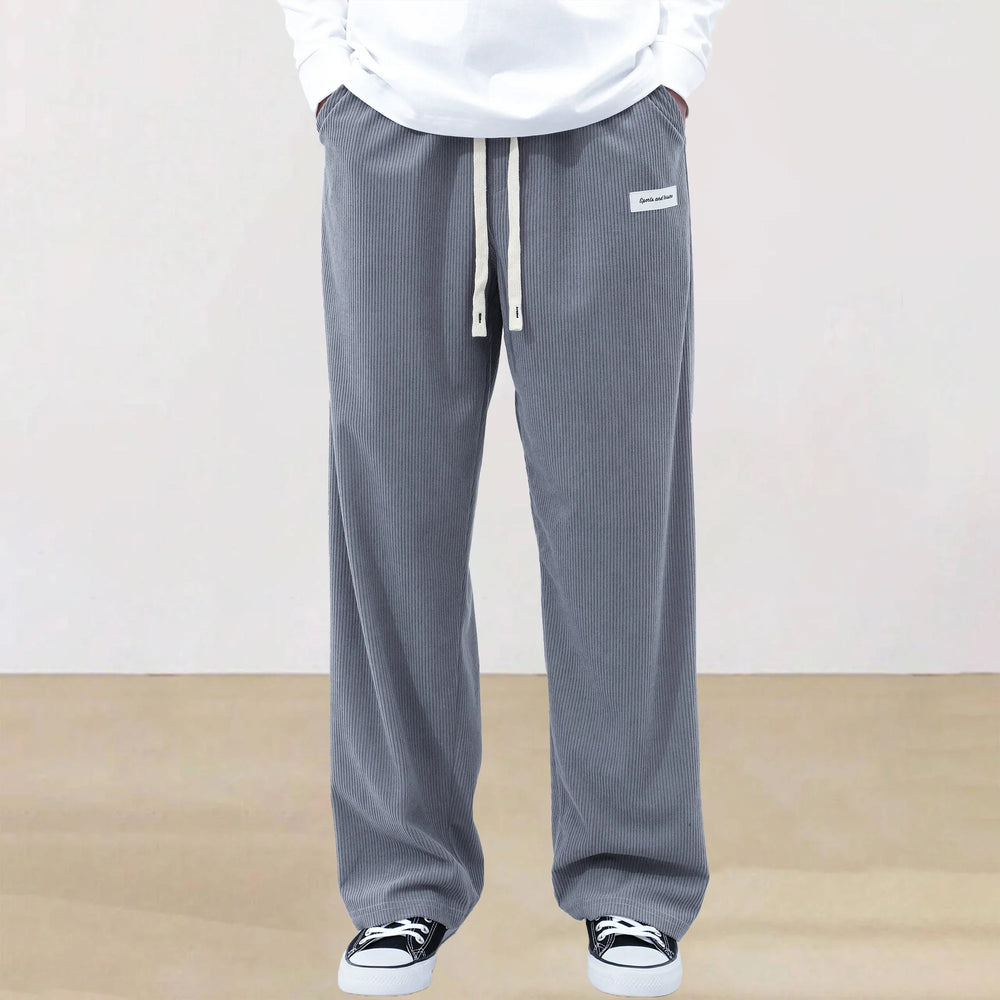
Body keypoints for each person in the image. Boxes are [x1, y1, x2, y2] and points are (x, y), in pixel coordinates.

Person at [275, 2, 730, 995]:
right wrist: (327, 75)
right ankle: (402, 881)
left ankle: (634, 879)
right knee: (392, 521)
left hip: (610, 116)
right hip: (390, 118)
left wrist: (675, 65)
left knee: (620, 525)